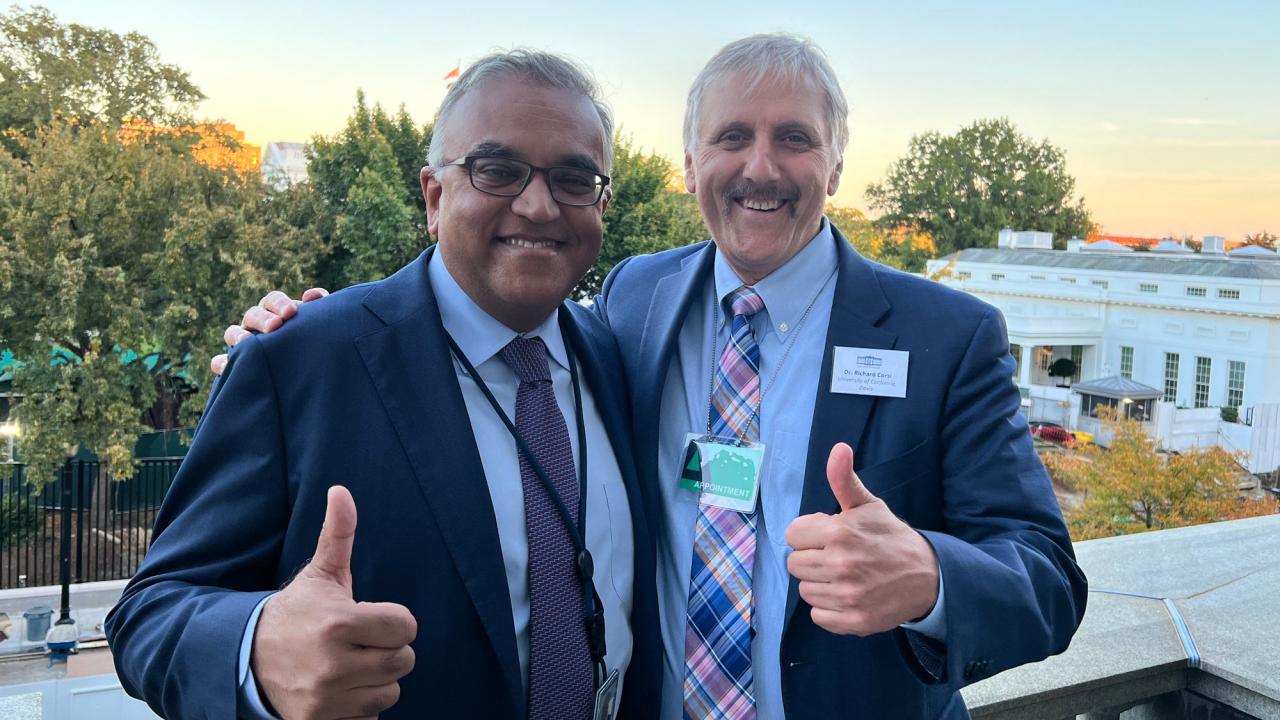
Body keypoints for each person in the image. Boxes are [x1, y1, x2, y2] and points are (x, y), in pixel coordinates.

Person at [218, 34, 1087, 720]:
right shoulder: (635, 301)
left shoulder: (946, 336)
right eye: (732, 137)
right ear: (690, 165)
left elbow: (1047, 581)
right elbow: (468, 318)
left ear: (834, 165)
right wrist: (305, 336)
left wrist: (932, 578)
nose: (760, 167)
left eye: (793, 139)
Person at [105, 50, 661, 720]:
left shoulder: (616, 356)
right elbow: (151, 613)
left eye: (574, 179)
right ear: (435, 197)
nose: (538, 205)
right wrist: (256, 651)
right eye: (497, 170)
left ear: (601, 204)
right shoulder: (300, 358)